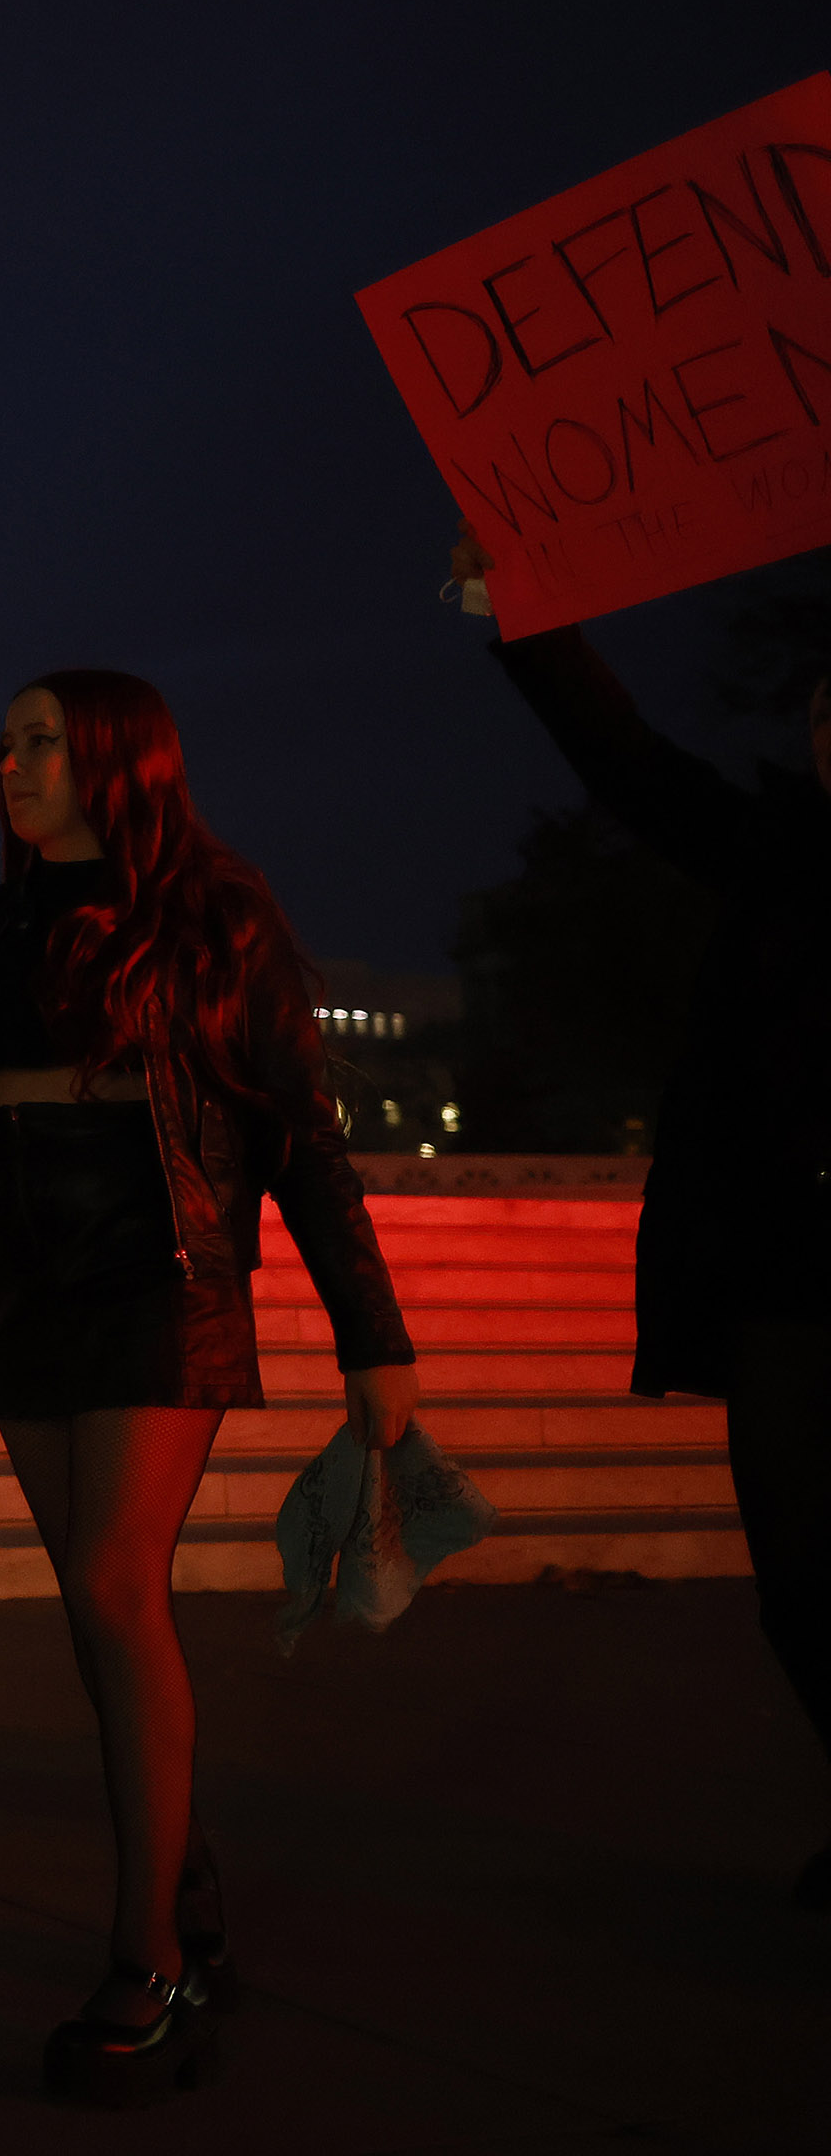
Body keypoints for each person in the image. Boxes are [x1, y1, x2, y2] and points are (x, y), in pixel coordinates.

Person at [0, 669, 417, 2103]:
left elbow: (301, 1132)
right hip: (20, 1273)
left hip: (159, 1274)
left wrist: (374, 1336)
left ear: (118, 756)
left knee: (118, 1589)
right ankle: (191, 1896)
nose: (10, 761)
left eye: (40, 740)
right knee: (96, 1604)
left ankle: (150, 1962)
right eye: (4, 743)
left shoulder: (213, 918)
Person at [457, 535, 831, 1912]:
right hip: (790, 1274)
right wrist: (525, 618)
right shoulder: (777, 854)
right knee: (795, 1577)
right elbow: (627, 764)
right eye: (824, 712)